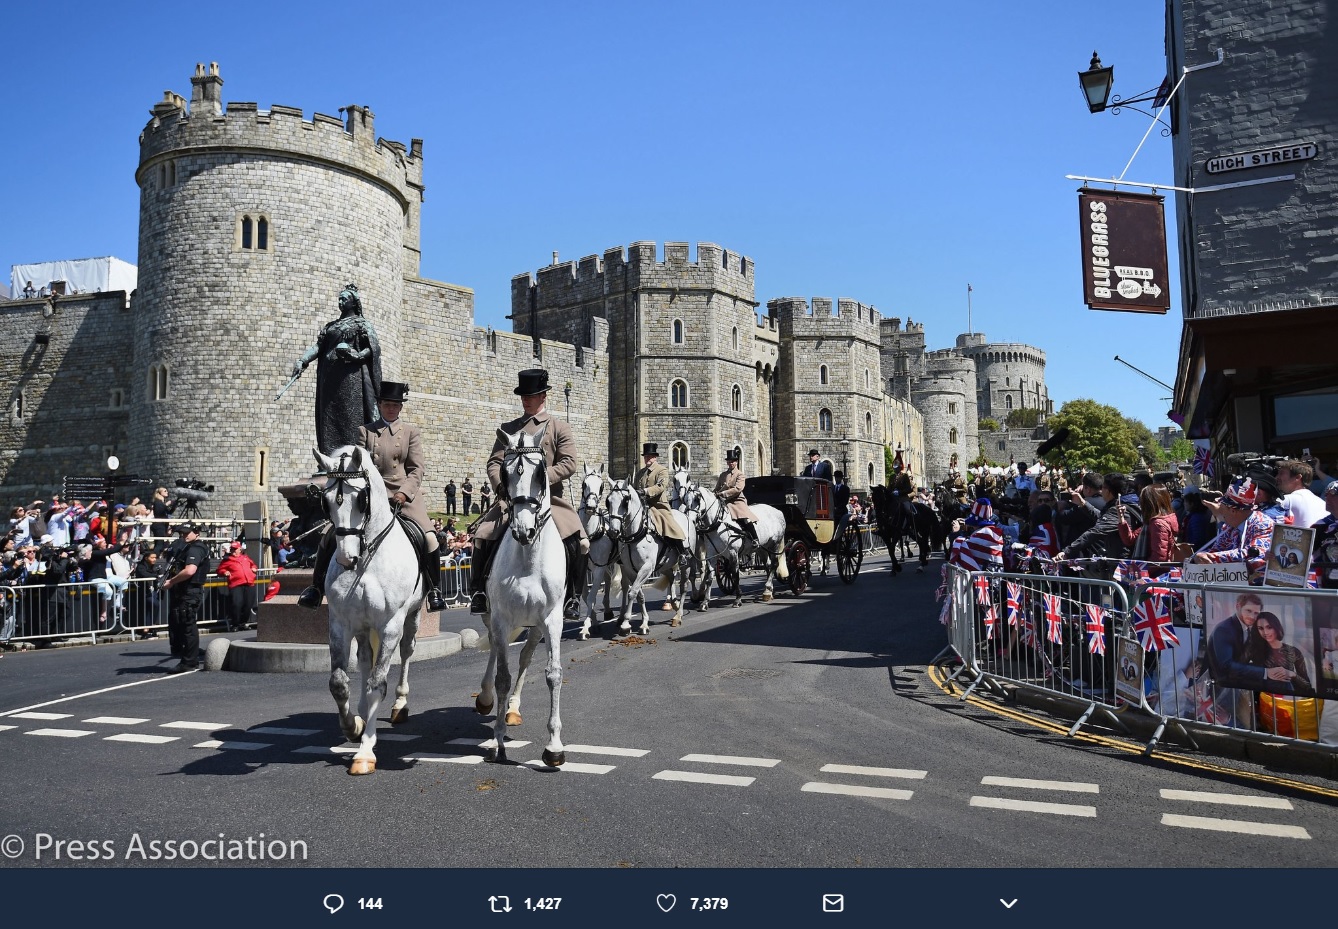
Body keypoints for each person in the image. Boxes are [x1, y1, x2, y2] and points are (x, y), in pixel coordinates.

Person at [298, 381, 446, 611]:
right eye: (387, 404)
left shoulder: (410, 433)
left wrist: (404, 493)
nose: (391, 409)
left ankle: (435, 590)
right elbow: (359, 467)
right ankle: (315, 588)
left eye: (396, 405)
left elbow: (416, 469)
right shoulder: (365, 431)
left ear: (400, 407)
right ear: (379, 405)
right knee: (329, 535)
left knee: (430, 539)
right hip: (370, 495)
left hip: (403, 495)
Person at [469, 369, 588, 619]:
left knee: (579, 539)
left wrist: (541, 478)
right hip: (511, 499)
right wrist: (500, 485)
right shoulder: (509, 428)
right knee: (482, 535)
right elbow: (494, 462)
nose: (526, 399)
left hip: (548, 499)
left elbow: (569, 463)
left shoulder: (558, 427)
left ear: (543, 396)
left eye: (531, 395)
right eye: (523, 395)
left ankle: (573, 598)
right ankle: (479, 591)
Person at [290, 284, 383, 455]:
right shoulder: (331, 326)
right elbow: (318, 347)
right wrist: (302, 360)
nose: (340, 302)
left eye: (344, 299)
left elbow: (373, 348)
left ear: (353, 303)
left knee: (349, 415)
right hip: (328, 378)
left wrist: (357, 356)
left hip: (350, 379)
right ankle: (329, 456)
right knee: (328, 416)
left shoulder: (361, 324)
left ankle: (352, 455)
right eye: (339, 299)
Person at [1191, 476, 1274, 579]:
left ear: (1233, 510)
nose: (1221, 512)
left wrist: (1212, 557)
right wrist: (1201, 556)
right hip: (1233, 580)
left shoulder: (1263, 524)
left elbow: (1251, 553)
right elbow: (1217, 549)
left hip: (1258, 584)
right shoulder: (1228, 527)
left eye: (1222, 509)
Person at [1203, 591, 1267, 726]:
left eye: (1256, 613)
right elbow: (1226, 665)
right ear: (1238, 606)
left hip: (1236, 685)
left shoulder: (1247, 627)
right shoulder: (1225, 629)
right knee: (1231, 724)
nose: (1252, 616)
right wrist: (1263, 672)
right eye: (1248, 611)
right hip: (1220, 687)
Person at [160, 522, 211, 673]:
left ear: (196, 532)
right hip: (183, 591)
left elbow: (190, 571)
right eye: (182, 533)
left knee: (187, 626)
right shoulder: (186, 547)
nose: (183, 535)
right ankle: (189, 656)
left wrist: (171, 581)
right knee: (181, 625)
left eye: (187, 532)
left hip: (190, 592)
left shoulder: (196, 548)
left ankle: (189, 661)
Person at [637, 441, 688, 559]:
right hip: (641, 504)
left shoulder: (662, 470)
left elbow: (660, 487)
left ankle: (682, 552)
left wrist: (645, 491)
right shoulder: (640, 473)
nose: (647, 459)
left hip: (657, 505)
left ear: (655, 457)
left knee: (669, 524)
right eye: (645, 457)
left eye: (649, 456)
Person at [1119, 483, 1179, 563]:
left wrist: (1142, 569)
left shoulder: (1158, 524)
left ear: (1149, 503)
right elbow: (1130, 539)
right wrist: (1121, 518)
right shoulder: (1151, 523)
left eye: (1142, 501)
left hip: (1153, 574)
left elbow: (1158, 559)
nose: (1140, 504)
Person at [714, 448, 758, 543]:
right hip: (724, 501)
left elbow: (738, 489)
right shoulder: (723, 475)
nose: (730, 463)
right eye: (729, 461)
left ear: (736, 462)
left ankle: (755, 539)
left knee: (745, 518)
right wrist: (714, 494)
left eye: (732, 461)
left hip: (737, 501)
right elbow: (717, 488)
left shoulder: (740, 474)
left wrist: (723, 493)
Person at [216, 541, 258, 632]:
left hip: (249, 583)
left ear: (240, 549)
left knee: (248, 605)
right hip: (236, 584)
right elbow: (219, 570)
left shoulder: (245, 558)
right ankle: (235, 624)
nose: (233, 551)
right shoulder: (227, 559)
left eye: (235, 549)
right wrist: (224, 572)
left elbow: (253, 564)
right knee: (237, 604)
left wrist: (254, 568)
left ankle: (242, 623)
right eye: (232, 549)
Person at [1276, 458, 1326, 529]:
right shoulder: (1322, 503)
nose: (1277, 477)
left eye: (1281, 473)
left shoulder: (1287, 500)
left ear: (1297, 477)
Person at [1310, 481, 1338, 589]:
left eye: (1333, 495)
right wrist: (1274, 556)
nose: (1327, 498)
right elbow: (1301, 553)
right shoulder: (1320, 526)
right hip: (1328, 589)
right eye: (1326, 494)